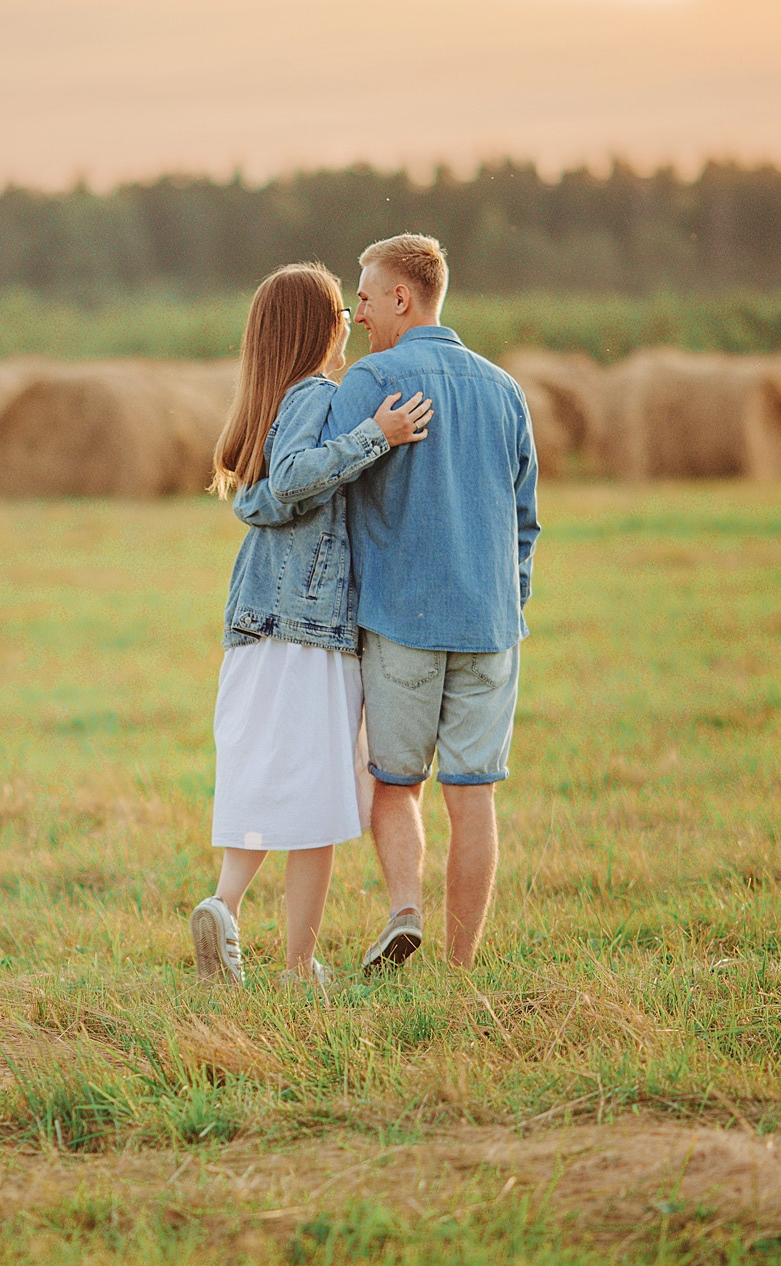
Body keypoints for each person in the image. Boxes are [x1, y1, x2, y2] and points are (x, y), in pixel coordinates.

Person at [190, 262, 434, 988]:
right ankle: (298, 965)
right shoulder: (315, 396)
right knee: (322, 802)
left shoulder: (270, 400)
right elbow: (293, 480)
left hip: (260, 629)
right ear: (314, 328)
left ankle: (222, 906)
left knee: (266, 783)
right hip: (308, 634)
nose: (349, 321)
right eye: (338, 311)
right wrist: (377, 435)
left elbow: (261, 497)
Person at [322, 234, 540, 972]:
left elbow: (323, 490)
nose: (357, 313)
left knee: (394, 783)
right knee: (472, 796)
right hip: (491, 626)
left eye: (364, 296)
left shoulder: (369, 378)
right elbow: (524, 521)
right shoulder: (505, 388)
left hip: (400, 620)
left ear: (400, 298)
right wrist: (508, 604)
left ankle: (403, 911)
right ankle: (459, 970)